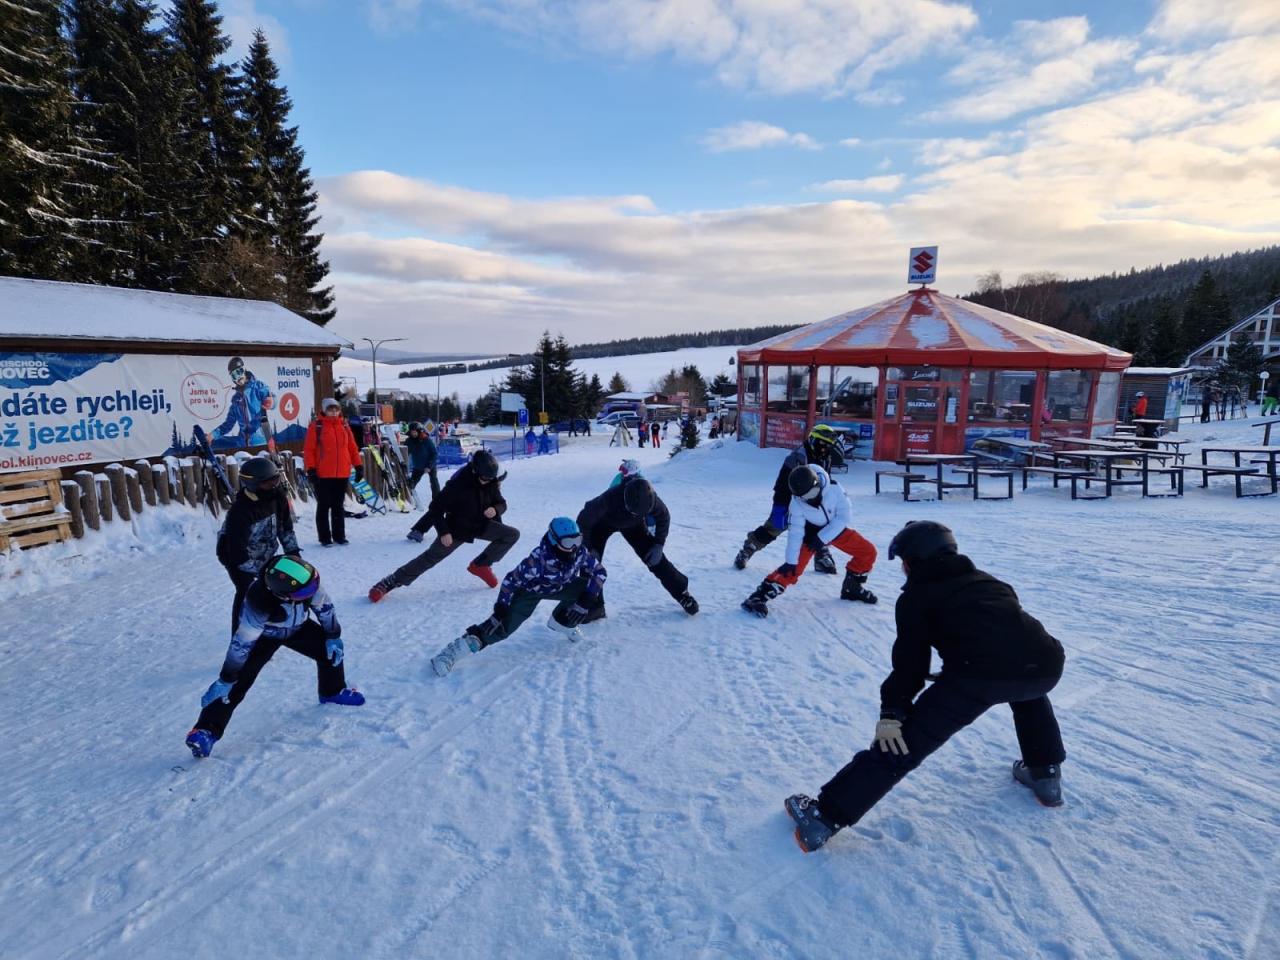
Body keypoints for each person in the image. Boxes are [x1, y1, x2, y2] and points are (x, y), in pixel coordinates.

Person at [783, 521, 1067, 852]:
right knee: (1026, 687)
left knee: (903, 744)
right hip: (1046, 664)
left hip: (978, 677)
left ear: (914, 559)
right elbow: (1008, 637)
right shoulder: (988, 581)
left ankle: (823, 817)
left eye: (903, 560)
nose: (903, 567)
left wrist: (892, 713)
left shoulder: (917, 598)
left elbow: (910, 665)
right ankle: (1045, 774)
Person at [184, 555, 365, 758]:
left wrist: (333, 635)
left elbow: (325, 607)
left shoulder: (308, 583)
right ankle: (205, 731)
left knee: (329, 651)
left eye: (312, 587)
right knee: (235, 684)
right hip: (264, 636)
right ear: (281, 594)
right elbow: (242, 643)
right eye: (303, 593)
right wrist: (227, 677)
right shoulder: (258, 602)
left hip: (298, 628)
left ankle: (332, 691)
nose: (311, 593)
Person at [430, 517, 608, 676]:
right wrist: (500, 610)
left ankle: (562, 621)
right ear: (554, 540)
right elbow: (510, 581)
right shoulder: (537, 561)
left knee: (588, 588)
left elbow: (600, 572)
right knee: (502, 628)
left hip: (561, 586)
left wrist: (585, 601)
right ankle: (452, 653)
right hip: (530, 592)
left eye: (577, 540)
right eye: (569, 542)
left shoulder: (580, 553)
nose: (574, 547)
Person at [369, 449, 519, 601]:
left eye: (491, 478)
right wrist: (444, 532)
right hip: (457, 529)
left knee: (511, 535)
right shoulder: (457, 485)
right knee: (430, 557)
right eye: (485, 478)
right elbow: (435, 509)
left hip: (480, 524)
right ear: (475, 470)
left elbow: (502, 503)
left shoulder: (490, 482)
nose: (487, 481)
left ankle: (480, 565)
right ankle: (390, 582)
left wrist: (496, 509)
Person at [741, 464, 877, 617]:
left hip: (834, 528)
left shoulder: (834, 489)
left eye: (813, 492)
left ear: (817, 482)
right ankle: (758, 597)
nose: (811, 498)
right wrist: (791, 561)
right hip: (810, 536)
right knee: (793, 569)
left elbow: (844, 517)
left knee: (868, 551)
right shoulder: (796, 503)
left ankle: (852, 587)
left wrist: (822, 538)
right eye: (805, 496)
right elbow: (795, 532)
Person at [576, 476, 698, 622]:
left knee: (655, 558)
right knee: (589, 563)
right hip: (602, 524)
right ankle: (594, 606)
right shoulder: (609, 498)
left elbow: (664, 517)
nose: (635, 513)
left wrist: (659, 544)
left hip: (633, 526)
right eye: (633, 511)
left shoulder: (652, 500)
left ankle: (682, 593)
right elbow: (583, 519)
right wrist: (588, 547)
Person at [734, 424, 844, 574]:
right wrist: (780, 506)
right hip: (790, 498)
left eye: (828, 446)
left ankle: (821, 556)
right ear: (814, 441)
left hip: (812, 500)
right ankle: (748, 549)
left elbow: (826, 482)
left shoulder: (825, 458)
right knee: (775, 526)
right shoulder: (797, 458)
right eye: (823, 445)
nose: (826, 449)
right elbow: (782, 485)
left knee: (820, 527)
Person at [216, 456, 300, 633]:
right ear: (253, 484)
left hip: (264, 552)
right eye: (268, 483)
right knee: (248, 591)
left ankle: (268, 619)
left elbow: (285, 528)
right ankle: (239, 633)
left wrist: (293, 553)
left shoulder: (277, 497)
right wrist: (257, 575)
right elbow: (237, 551)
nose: (274, 485)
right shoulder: (241, 511)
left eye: (276, 480)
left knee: (273, 585)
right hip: (236, 557)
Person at [304, 398, 362, 546]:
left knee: (338, 506)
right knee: (324, 506)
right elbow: (309, 450)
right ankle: (324, 537)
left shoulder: (344, 425)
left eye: (336, 409)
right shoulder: (316, 426)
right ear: (325, 410)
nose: (334, 412)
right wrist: (311, 469)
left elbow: (352, 447)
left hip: (342, 472)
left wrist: (358, 465)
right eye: (331, 409)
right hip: (323, 473)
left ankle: (339, 536)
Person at [210, 357, 274, 447]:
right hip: (243, 445)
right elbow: (228, 424)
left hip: (261, 441)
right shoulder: (236, 400)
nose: (238, 377)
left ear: (244, 370)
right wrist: (212, 435)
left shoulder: (258, 387)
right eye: (234, 375)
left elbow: (272, 398)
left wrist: (271, 402)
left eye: (239, 371)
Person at [405, 421, 440, 499]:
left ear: (419, 431)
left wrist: (429, 466)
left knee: (434, 481)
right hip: (418, 466)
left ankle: (437, 499)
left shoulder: (426, 440)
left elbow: (434, 454)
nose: (413, 434)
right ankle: (407, 497)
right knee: (412, 483)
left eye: (415, 432)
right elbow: (405, 451)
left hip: (430, 465)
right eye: (412, 432)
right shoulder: (409, 441)